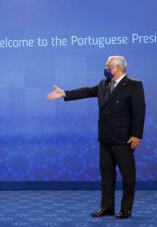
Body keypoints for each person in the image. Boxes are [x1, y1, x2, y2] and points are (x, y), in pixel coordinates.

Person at [47, 56, 145, 219]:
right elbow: (87, 91)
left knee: (128, 176)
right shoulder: (104, 84)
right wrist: (65, 93)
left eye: (108, 66)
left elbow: (139, 111)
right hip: (105, 138)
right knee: (106, 175)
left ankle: (126, 209)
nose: (106, 69)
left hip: (123, 139)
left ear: (118, 67)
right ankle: (107, 207)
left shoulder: (134, 85)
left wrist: (136, 135)